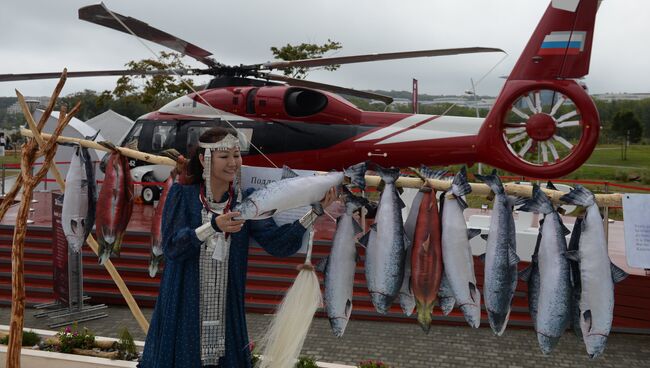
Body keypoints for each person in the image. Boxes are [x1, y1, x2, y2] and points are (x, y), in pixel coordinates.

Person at [139, 127, 336, 368]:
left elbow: (278, 244)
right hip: (184, 303)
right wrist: (213, 225)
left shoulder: (247, 202)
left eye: (237, 155)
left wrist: (314, 212)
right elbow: (171, 247)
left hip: (226, 307)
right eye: (224, 157)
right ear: (204, 159)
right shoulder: (183, 195)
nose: (233, 163)